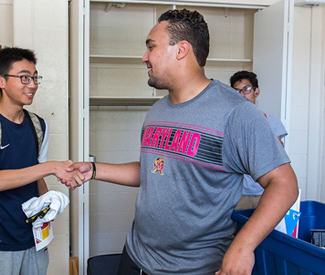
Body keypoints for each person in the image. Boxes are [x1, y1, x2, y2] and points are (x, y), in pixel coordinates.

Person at [67, 9, 299, 275]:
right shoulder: (158, 111)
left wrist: (243, 245)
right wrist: (94, 170)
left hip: (192, 269)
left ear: (181, 50)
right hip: (135, 256)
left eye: (151, 47)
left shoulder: (237, 113)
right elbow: (153, 170)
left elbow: (284, 183)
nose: (144, 58)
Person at [0, 47, 84, 275]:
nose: (32, 84)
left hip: (33, 240)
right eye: (24, 77)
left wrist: (50, 203)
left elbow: (37, 177)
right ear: (1, 80)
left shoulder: (38, 126)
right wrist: (51, 167)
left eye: (35, 77)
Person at [230, 70, 288, 210]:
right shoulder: (228, 123)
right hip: (236, 194)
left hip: (265, 192)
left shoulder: (271, 122)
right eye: (236, 91)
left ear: (256, 91)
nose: (242, 95)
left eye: (246, 89)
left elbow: (276, 158)